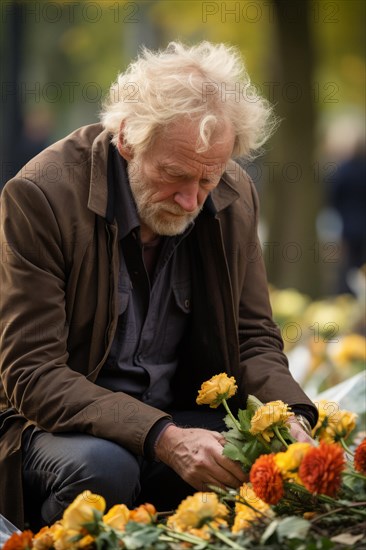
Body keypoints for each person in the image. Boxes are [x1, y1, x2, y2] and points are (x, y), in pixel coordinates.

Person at [0, 41, 317, 529]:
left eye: (207, 180)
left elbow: (253, 337)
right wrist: (163, 437)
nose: (191, 201)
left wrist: (289, 416)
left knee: (271, 457)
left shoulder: (234, 196)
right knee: (103, 470)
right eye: (174, 175)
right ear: (127, 138)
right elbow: (33, 374)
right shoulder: (41, 196)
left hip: (174, 415)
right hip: (48, 427)